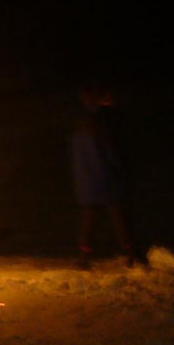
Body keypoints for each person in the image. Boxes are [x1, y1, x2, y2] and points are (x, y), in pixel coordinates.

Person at [72, 87, 135, 269]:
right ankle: (131, 253)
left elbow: (78, 154)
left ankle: (83, 257)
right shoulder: (103, 122)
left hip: (86, 179)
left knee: (88, 220)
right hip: (106, 177)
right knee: (118, 217)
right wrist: (123, 170)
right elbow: (110, 151)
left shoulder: (79, 123)